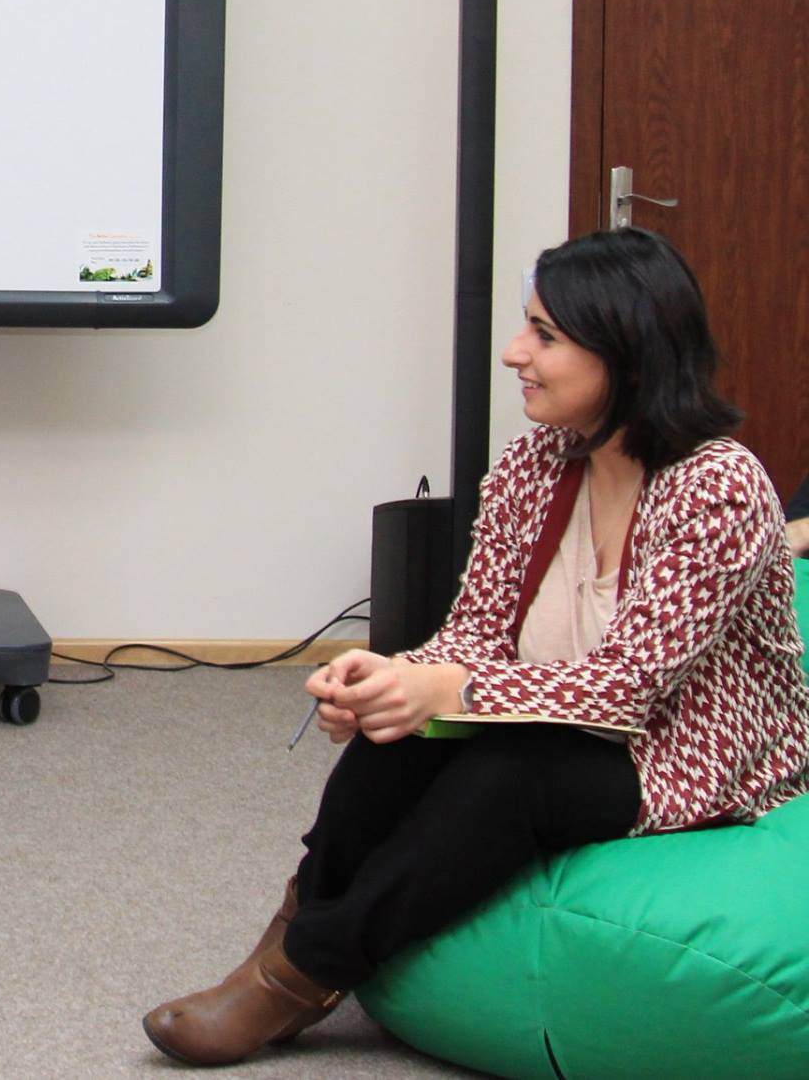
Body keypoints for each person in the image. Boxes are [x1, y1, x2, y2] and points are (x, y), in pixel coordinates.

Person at [142, 228, 809, 1066]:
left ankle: (304, 972)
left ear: (629, 353)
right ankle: (289, 935)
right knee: (398, 742)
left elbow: (631, 688)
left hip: (684, 749)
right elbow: (476, 635)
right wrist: (390, 680)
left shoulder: (719, 486)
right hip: (548, 710)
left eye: (546, 336)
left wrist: (449, 692)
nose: (514, 353)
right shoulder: (533, 463)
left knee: (507, 775)